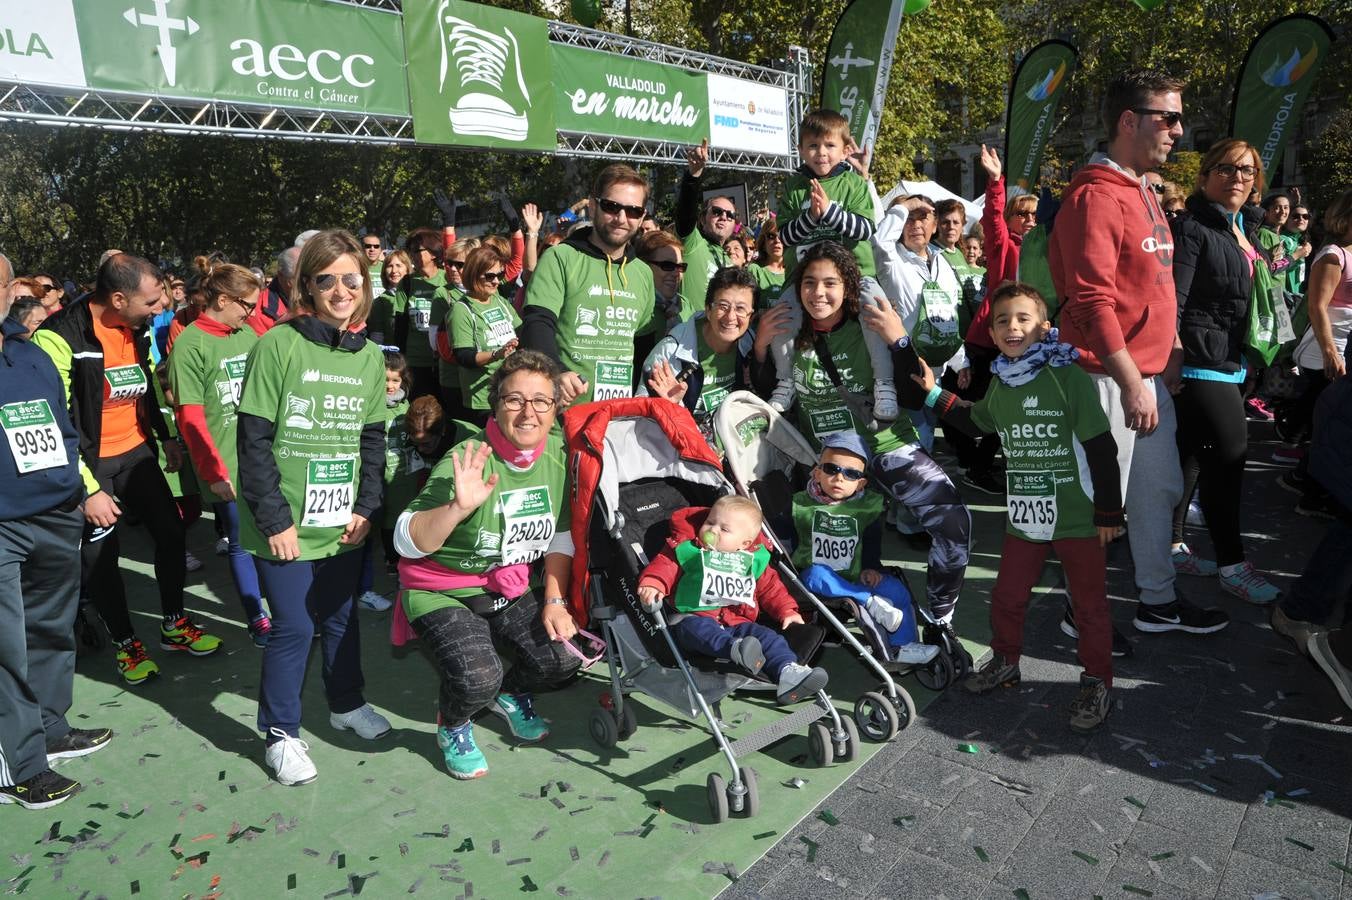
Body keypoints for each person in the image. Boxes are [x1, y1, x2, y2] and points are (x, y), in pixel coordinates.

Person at [1050, 68, 1230, 637]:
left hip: (1144, 376)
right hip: (1105, 379)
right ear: (1129, 121)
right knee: (1100, 508)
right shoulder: (1095, 196)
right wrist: (1130, 380)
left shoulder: (1144, 190)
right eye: (1168, 117)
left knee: (1157, 494)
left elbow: (1153, 286)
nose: (1179, 129)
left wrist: (1171, 346)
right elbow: (1091, 301)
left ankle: (1157, 601)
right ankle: (1083, 616)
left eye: (1180, 117)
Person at [915, 283, 1122, 732]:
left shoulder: (1066, 377)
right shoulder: (1003, 383)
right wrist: (933, 392)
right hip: (1026, 516)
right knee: (1008, 597)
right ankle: (1006, 660)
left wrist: (1109, 512)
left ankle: (1096, 681)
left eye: (1023, 318)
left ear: (1044, 328)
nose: (1013, 327)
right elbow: (975, 421)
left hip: (1078, 516)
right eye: (1003, 320)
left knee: (1088, 606)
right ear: (991, 332)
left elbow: (1101, 446)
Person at [753, 242, 971, 642]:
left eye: (830, 283)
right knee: (816, 545)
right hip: (828, 461)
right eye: (810, 283)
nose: (818, 293)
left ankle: (939, 618)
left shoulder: (868, 321)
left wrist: (899, 340)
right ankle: (843, 609)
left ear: (849, 286)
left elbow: (910, 396)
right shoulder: (790, 329)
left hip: (885, 443)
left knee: (954, 523)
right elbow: (771, 398)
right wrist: (761, 347)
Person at [235, 229, 392, 786]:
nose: (341, 289)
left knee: (343, 615)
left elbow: (373, 443)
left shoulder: (371, 357)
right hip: (286, 526)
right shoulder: (278, 344)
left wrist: (368, 505)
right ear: (307, 286)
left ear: (365, 285)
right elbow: (252, 441)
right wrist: (275, 518)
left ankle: (345, 703)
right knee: (296, 626)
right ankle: (280, 732)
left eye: (352, 278)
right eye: (326, 279)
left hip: (344, 521)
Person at [33, 253, 223, 685]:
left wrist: (166, 437)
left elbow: (145, 383)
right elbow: (56, 419)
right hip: (90, 462)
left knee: (172, 534)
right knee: (102, 558)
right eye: (153, 301)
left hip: (136, 452)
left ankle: (174, 623)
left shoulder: (134, 328)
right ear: (118, 298)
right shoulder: (59, 337)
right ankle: (125, 643)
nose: (161, 309)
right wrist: (87, 490)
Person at [394, 351, 581, 780]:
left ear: (555, 410)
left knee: (563, 658)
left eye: (540, 401)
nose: (527, 412)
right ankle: (455, 723)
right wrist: (457, 508)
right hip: (440, 586)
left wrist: (554, 600)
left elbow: (561, 536)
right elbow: (405, 537)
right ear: (495, 405)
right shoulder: (468, 459)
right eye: (514, 400)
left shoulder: (557, 452)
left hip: (507, 583)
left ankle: (511, 697)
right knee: (479, 675)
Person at [0, 251, 113, 810]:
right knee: (5, 646)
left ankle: (50, 729)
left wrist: (79, 491)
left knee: (49, 627)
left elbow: (61, 431)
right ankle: (18, 766)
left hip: (52, 514)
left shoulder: (30, 356)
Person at [1167, 139, 1283, 604]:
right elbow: (1174, 297)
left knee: (1194, 457)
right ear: (1204, 175)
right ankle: (1233, 564)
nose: (1238, 177)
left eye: (1248, 170)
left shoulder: (1245, 229)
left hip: (1230, 360)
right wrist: (1173, 355)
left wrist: (1251, 357)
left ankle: (1173, 545)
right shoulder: (1193, 228)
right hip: (1199, 361)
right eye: (1227, 168)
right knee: (1229, 460)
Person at [167, 257, 272, 646]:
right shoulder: (190, 345)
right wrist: (214, 473)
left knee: (274, 534)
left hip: (265, 459)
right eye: (247, 305)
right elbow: (190, 418)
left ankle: (282, 606)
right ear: (225, 299)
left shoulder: (248, 335)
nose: (252, 312)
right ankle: (256, 617)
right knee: (242, 541)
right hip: (227, 465)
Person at [766, 109, 896, 419]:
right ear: (800, 150)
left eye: (828, 145)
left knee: (876, 313)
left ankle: (884, 383)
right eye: (812, 146)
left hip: (857, 275)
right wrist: (811, 217)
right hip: (805, 279)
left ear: (844, 149)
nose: (820, 153)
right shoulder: (794, 185)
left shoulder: (854, 184)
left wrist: (829, 213)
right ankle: (786, 380)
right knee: (781, 317)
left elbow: (866, 228)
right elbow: (785, 233)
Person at [636, 496, 830, 703]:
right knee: (698, 631)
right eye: (710, 522)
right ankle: (736, 649)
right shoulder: (688, 550)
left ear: (744, 543)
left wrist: (787, 610)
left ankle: (788, 672)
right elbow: (665, 566)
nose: (713, 530)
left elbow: (772, 589)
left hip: (739, 623)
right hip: (692, 617)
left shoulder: (752, 560)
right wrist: (654, 582)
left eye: (724, 529)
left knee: (768, 636)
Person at [790, 432, 936, 664]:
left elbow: (870, 542)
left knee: (896, 590)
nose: (839, 478)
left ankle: (904, 645)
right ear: (816, 472)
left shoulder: (865, 508)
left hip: (855, 574)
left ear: (861, 483)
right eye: (831, 469)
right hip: (813, 578)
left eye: (851, 474)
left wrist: (870, 567)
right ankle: (867, 601)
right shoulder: (798, 504)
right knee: (818, 573)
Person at [519, 164, 656, 406]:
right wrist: (557, 372)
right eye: (612, 207)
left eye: (633, 211)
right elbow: (536, 324)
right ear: (593, 206)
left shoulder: (643, 272)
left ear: (642, 216)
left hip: (618, 415)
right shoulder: (560, 257)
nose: (622, 218)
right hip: (563, 412)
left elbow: (642, 339)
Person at [872, 195, 973, 467]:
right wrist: (903, 208)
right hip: (905, 370)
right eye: (909, 218)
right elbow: (879, 242)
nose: (915, 224)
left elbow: (948, 314)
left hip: (936, 374)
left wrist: (961, 360)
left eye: (922, 217)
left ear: (935, 224)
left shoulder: (943, 262)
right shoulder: (892, 261)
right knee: (912, 445)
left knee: (926, 441)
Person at [1282, 190, 1352, 517]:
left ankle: (1306, 481)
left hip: (1346, 350)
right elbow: (1316, 306)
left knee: (1331, 424)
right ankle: (1311, 490)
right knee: (1330, 426)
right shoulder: (1334, 256)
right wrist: (1330, 352)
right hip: (1329, 351)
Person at [641, 265, 757, 440]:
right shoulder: (669, 352)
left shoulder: (749, 342)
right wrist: (673, 407)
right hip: (679, 445)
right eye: (723, 306)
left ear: (751, 316)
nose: (731, 317)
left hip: (728, 440)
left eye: (740, 308)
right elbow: (640, 418)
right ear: (708, 310)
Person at [964, 144, 1037, 360]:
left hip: (1029, 333)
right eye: (1023, 214)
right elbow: (993, 218)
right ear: (1010, 217)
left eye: (1034, 214)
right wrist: (996, 182)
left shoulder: (1042, 249)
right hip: (992, 337)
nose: (1030, 220)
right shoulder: (1003, 243)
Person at [449, 246, 521, 427]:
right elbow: (464, 356)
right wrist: (497, 354)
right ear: (473, 274)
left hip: (510, 390)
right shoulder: (461, 310)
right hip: (482, 400)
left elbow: (522, 331)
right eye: (490, 276)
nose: (496, 281)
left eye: (500, 275)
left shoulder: (499, 300)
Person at [395, 228, 451, 400]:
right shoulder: (406, 283)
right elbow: (400, 324)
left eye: (417, 250)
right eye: (410, 250)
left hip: (444, 362)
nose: (411, 255)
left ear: (433, 253)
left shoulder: (448, 278)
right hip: (415, 362)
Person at [675, 138, 733, 302]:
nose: (724, 217)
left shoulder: (730, 261)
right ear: (702, 218)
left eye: (730, 215)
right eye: (717, 211)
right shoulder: (692, 242)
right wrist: (693, 176)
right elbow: (686, 211)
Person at [637, 230, 696, 333]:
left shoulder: (686, 307)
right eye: (668, 265)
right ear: (644, 266)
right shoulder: (634, 304)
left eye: (680, 266)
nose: (676, 273)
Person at [367, 249, 412, 347]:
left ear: (407, 269)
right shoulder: (379, 302)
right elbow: (377, 337)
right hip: (394, 358)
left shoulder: (416, 295)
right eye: (390, 266)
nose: (394, 271)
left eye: (398, 265)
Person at [749, 223, 787, 310]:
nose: (777, 240)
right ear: (763, 242)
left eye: (781, 235)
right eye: (771, 236)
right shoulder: (755, 270)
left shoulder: (794, 271)